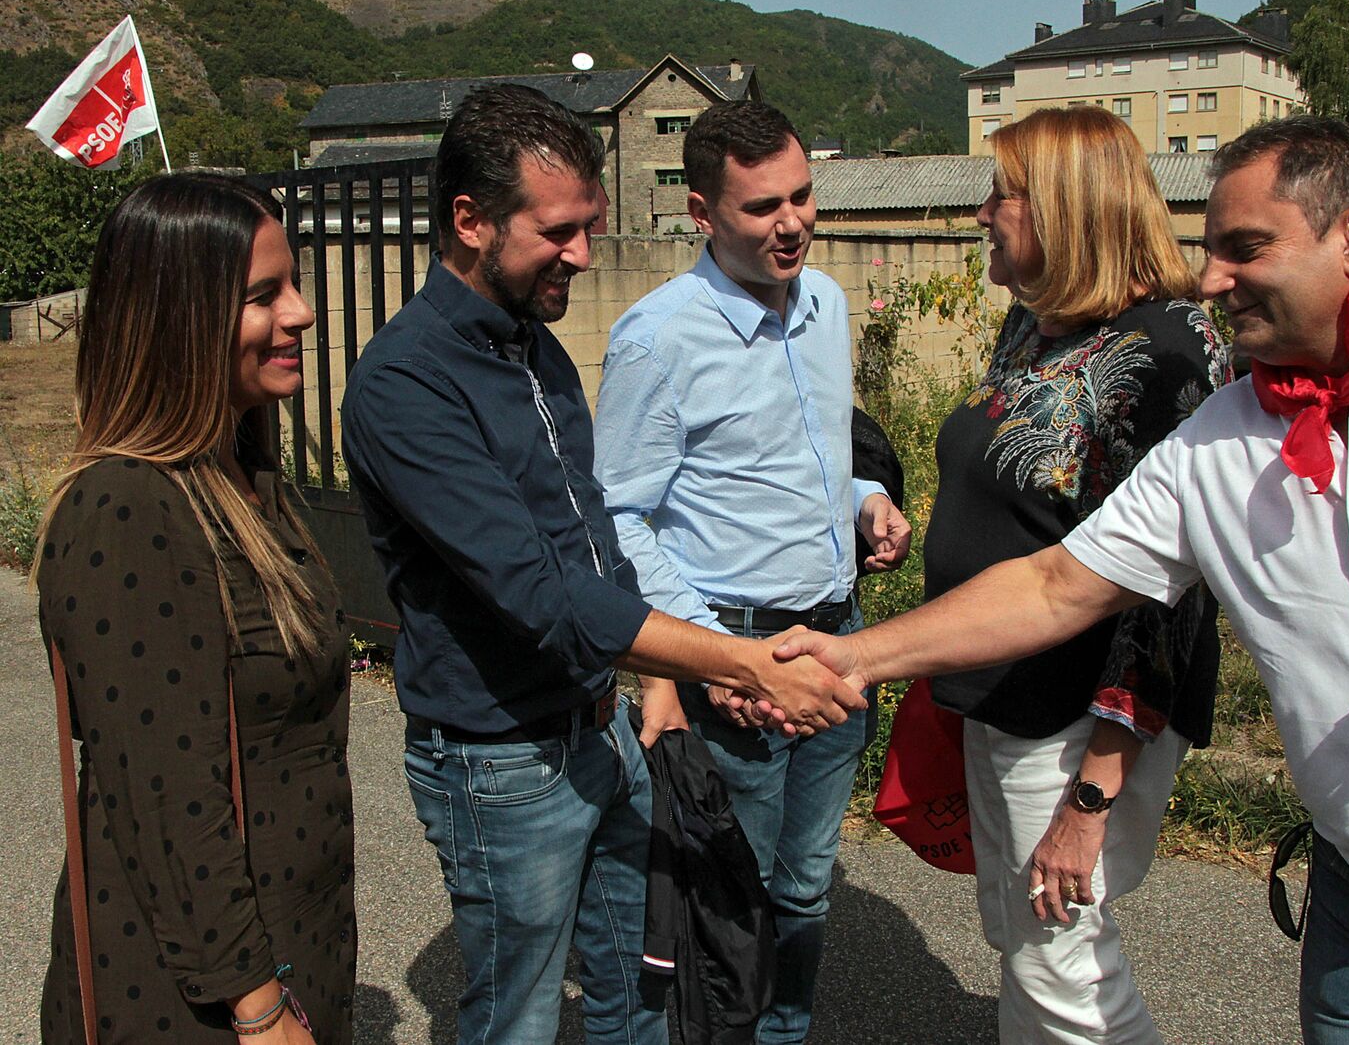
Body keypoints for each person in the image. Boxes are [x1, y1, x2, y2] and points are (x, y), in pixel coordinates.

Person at [776, 115, 1349, 1043]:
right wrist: (854, 654)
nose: (1210, 280)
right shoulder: (1225, 436)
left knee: (1063, 964)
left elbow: (1156, 629)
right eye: (1209, 251)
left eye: (1244, 250)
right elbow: (1055, 583)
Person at [339, 85, 861, 1045]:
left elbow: (596, 532)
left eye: (591, 226)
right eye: (560, 230)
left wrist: (657, 676)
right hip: (500, 760)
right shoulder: (404, 385)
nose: (584, 253)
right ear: (469, 220)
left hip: (600, 726)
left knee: (640, 990)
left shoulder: (533, 347)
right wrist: (731, 660)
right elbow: (539, 590)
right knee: (522, 1015)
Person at [592, 99, 910, 1043]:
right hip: (738, 650)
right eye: (762, 207)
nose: (793, 223)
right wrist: (718, 654)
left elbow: (814, 452)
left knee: (806, 885)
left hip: (838, 635)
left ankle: (784, 1033)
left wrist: (863, 502)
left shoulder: (828, 305)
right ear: (701, 212)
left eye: (804, 197)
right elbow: (620, 515)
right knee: (729, 895)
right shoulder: (657, 338)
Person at [919, 106, 1226, 1044]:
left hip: (1076, 715)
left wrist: (1093, 794)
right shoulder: (1038, 320)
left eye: (999, 194)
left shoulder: (1168, 345)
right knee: (1020, 933)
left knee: (1064, 963)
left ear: (1062, 206)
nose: (980, 214)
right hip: (1000, 692)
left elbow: (1169, 593)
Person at [36, 174, 351, 1044]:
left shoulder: (243, 480)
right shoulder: (127, 507)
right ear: (181, 320)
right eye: (262, 295)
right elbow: (167, 796)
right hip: (197, 998)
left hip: (292, 950)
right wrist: (256, 1008)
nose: (302, 312)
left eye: (292, 282)